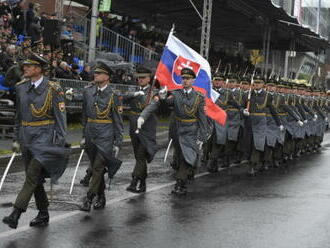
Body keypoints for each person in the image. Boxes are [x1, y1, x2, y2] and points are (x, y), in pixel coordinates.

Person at [2, 53, 69, 229]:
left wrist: (59, 142)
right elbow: (19, 115)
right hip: (26, 137)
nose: (24, 68)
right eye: (25, 65)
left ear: (38, 69)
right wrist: (16, 138)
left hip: (44, 138)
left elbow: (61, 118)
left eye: (29, 66)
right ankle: (43, 213)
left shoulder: (53, 89)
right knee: (36, 179)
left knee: (31, 176)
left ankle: (15, 213)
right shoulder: (21, 87)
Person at [138, 68, 207, 195]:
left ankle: (180, 183)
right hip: (178, 130)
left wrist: (202, 137)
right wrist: (163, 98)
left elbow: (202, 118)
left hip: (191, 131)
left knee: (188, 159)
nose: (185, 81)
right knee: (181, 158)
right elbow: (165, 103)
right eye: (183, 78)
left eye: (188, 79)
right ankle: (182, 181)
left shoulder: (199, 97)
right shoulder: (176, 94)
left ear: (193, 80)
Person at [79, 61, 123, 211]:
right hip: (90, 133)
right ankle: (102, 196)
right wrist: (83, 135)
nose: (95, 75)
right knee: (97, 168)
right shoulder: (88, 91)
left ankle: (89, 198)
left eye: (98, 73)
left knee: (97, 167)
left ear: (107, 77)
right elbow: (84, 115)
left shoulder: (114, 95)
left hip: (106, 134)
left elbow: (118, 119)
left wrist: (118, 142)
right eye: (95, 73)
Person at [123, 67, 158, 193]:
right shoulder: (134, 90)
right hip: (134, 126)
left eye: (143, 78)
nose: (140, 80)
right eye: (139, 78)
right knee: (138, 156)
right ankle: (143, 183)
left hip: (146, 127)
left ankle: (135, 181)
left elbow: (154, 106)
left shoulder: (154, 92)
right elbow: (122, 97)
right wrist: (134, 94)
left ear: (149, 79)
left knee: (141, 154)